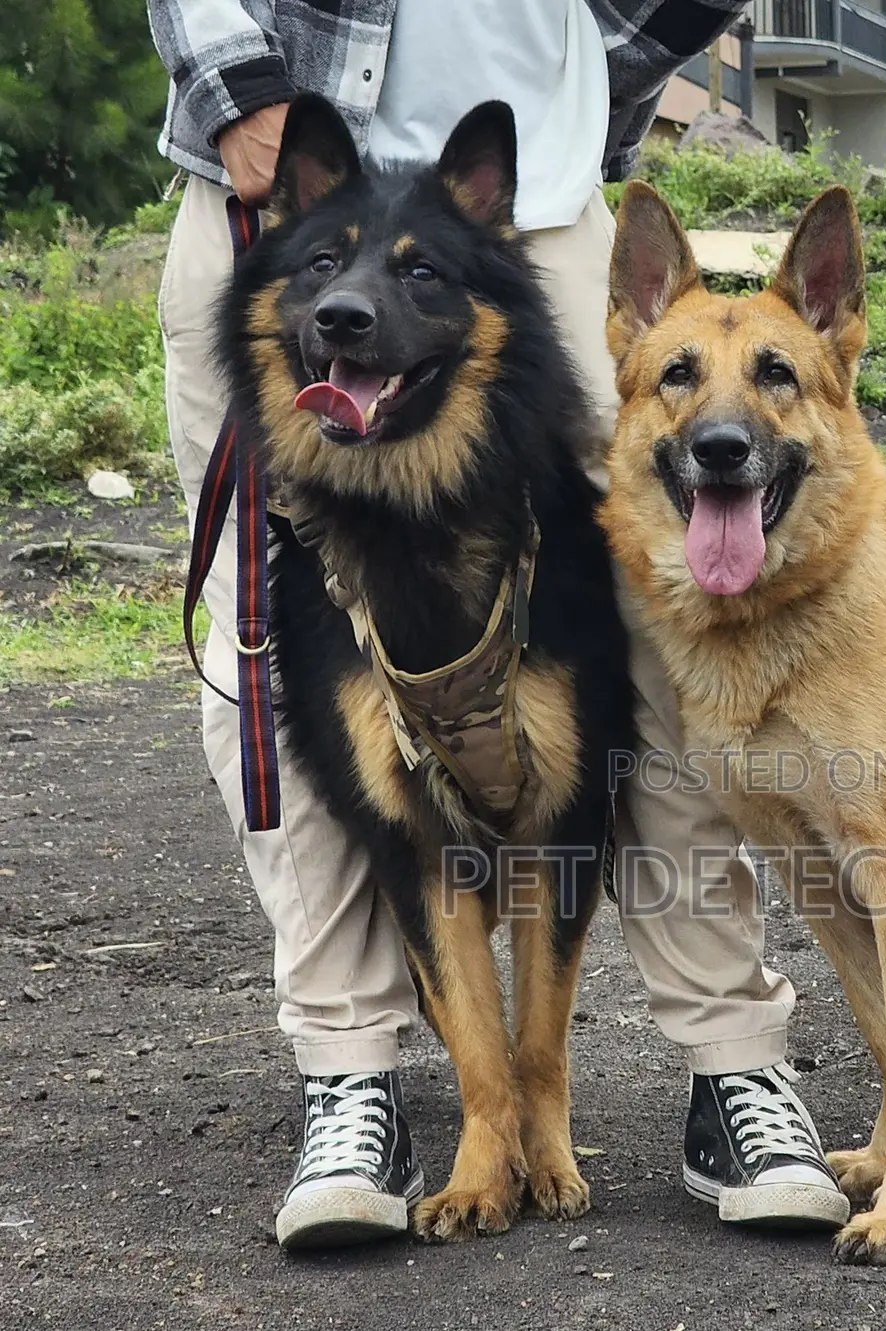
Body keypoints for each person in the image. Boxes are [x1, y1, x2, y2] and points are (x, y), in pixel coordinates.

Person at [146, 0, 849, 1249]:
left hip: (536, 208)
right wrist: (237, 86)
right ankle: (352, 1073)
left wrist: (590, 85)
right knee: (278, 658)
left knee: (675, 623)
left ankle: (731, 1058)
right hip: (277, 192)